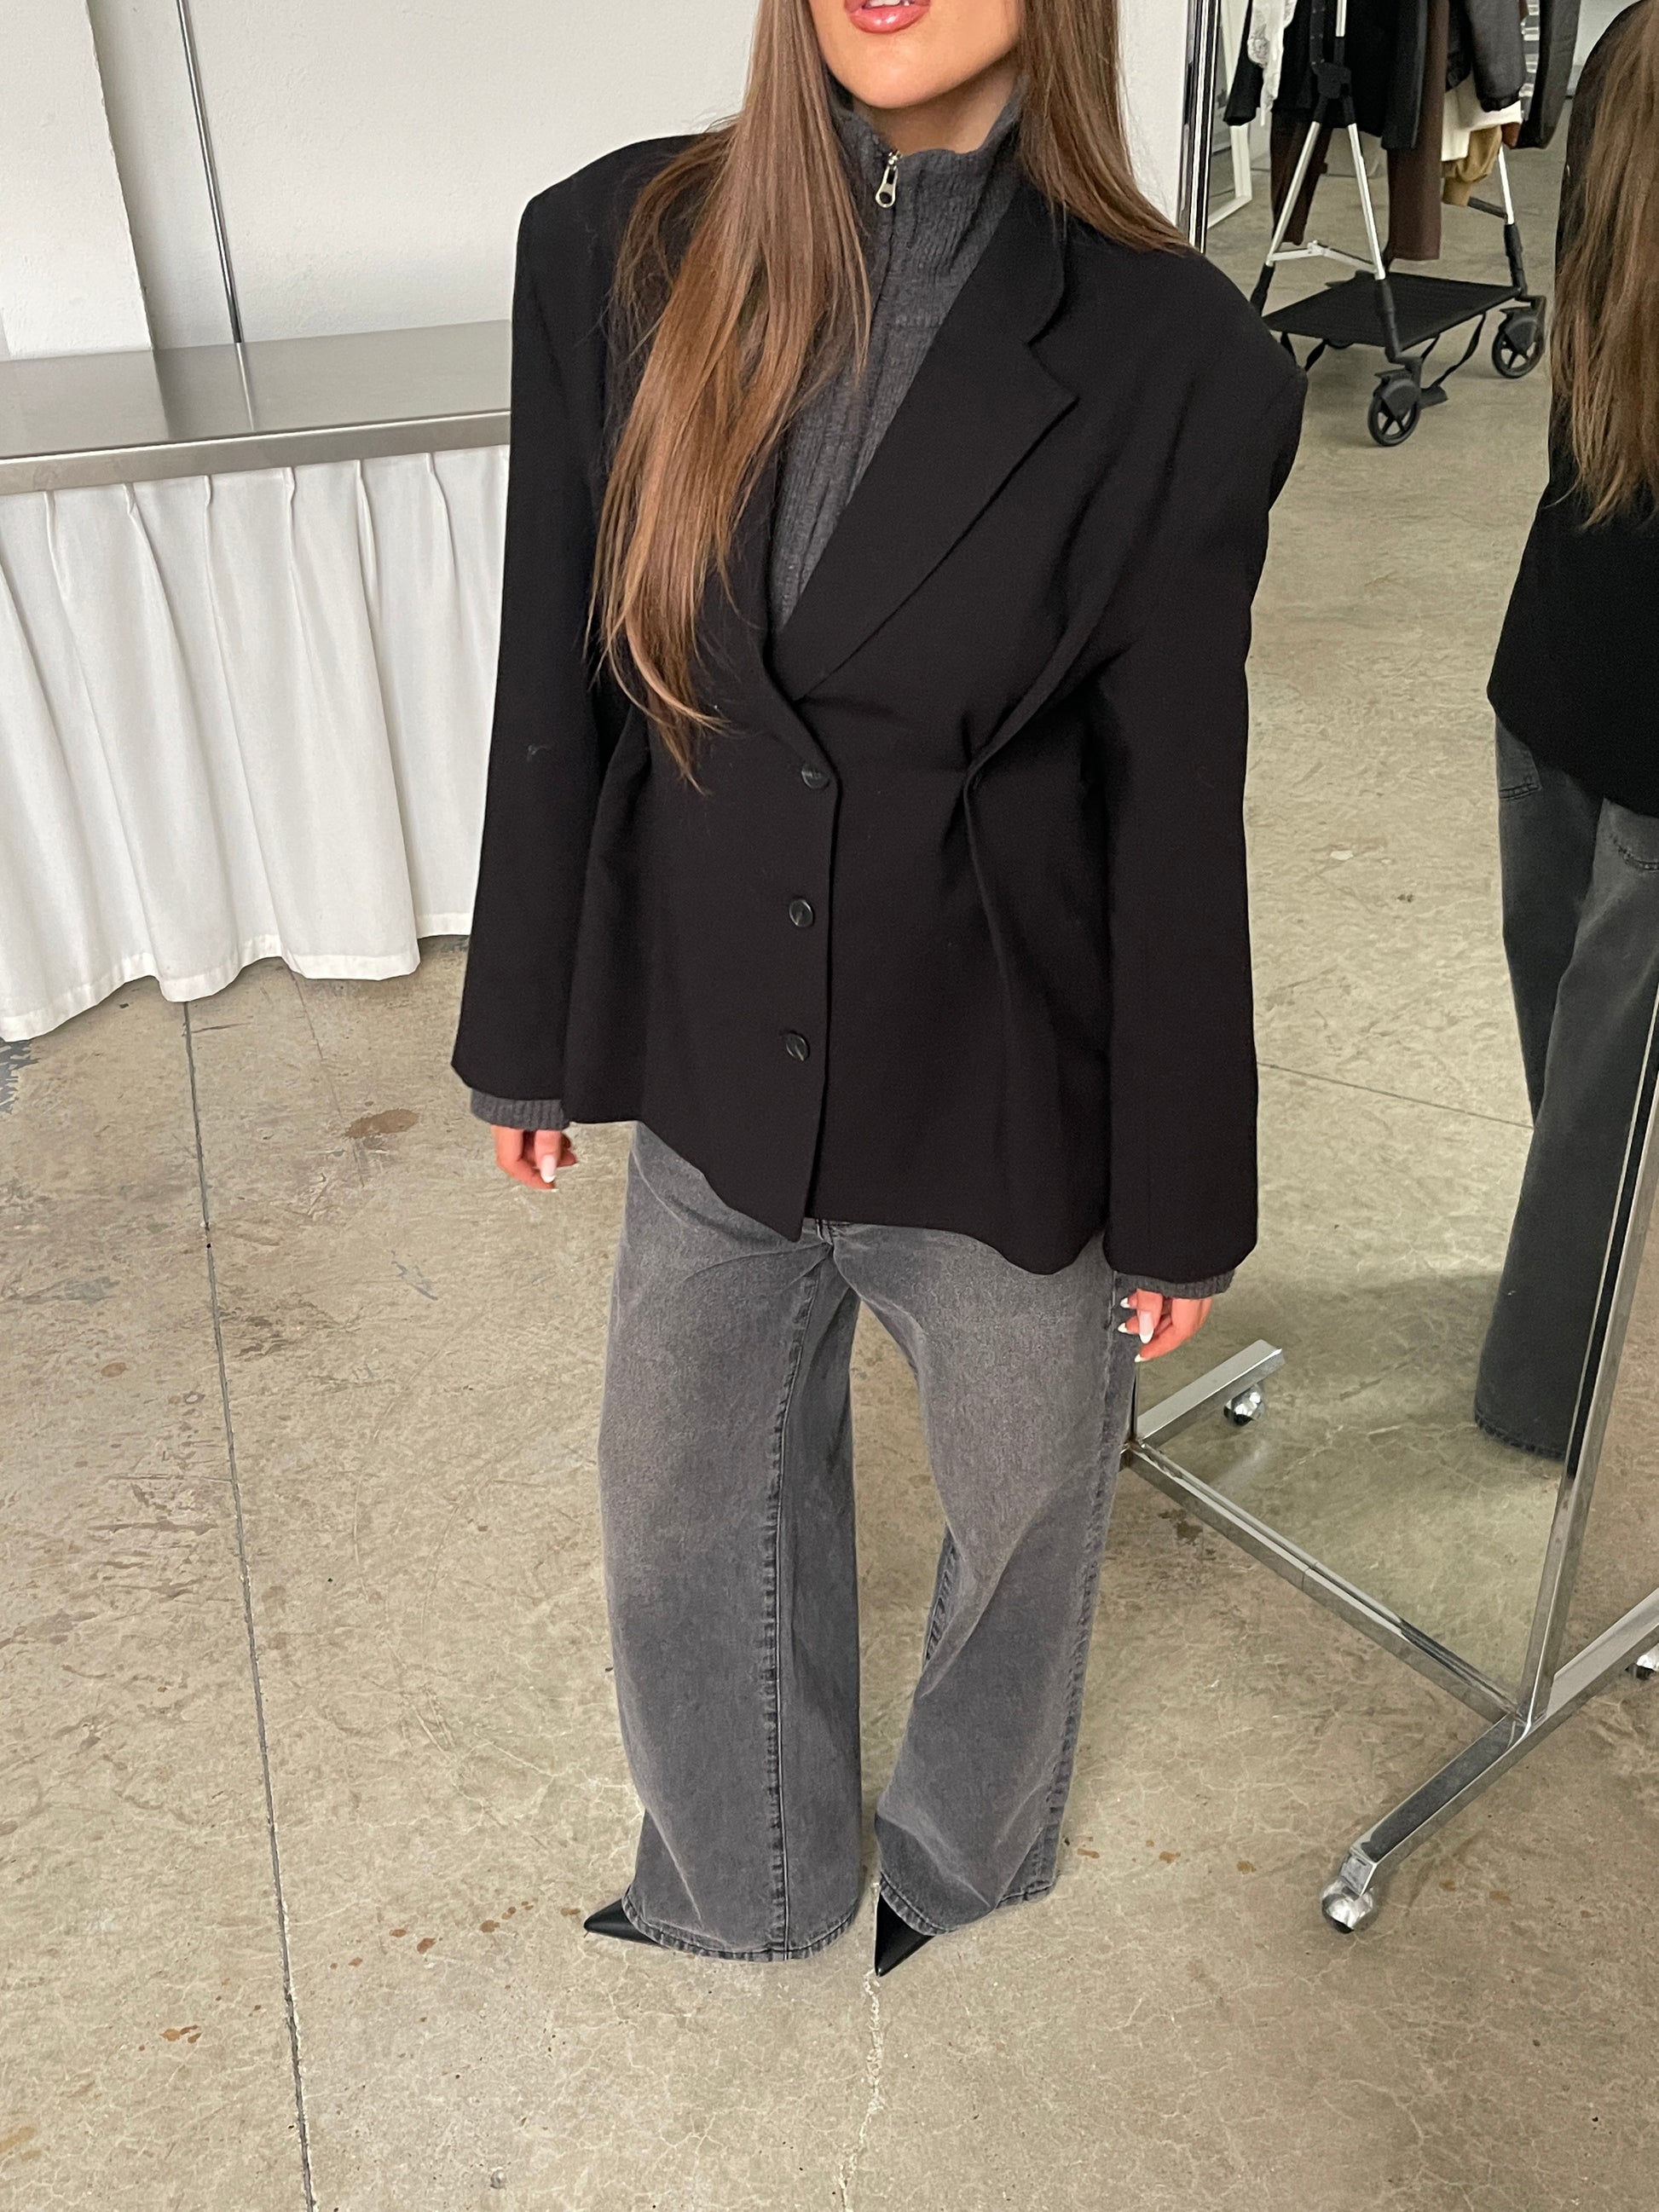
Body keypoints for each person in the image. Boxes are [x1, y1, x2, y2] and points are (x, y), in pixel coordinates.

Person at [452, 0, 1303, 1974]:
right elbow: (552, 673)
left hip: (994, 1067)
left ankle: (964, 1846)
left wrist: (1178, 1189)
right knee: (675, 1497)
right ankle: (737, 1871)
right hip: (715, 1047)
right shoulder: (614, 251)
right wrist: (528, 1028)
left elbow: (1176, 812)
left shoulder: (1177, 358)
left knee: (1024, 1506)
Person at [1478, 0, 1659, 1460]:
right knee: (1608, 1107)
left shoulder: (1623, 56)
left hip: (1554, 656)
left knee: (1579, 1073)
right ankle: (1552, 1396)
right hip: (1625, 698)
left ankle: (1563, 1349)